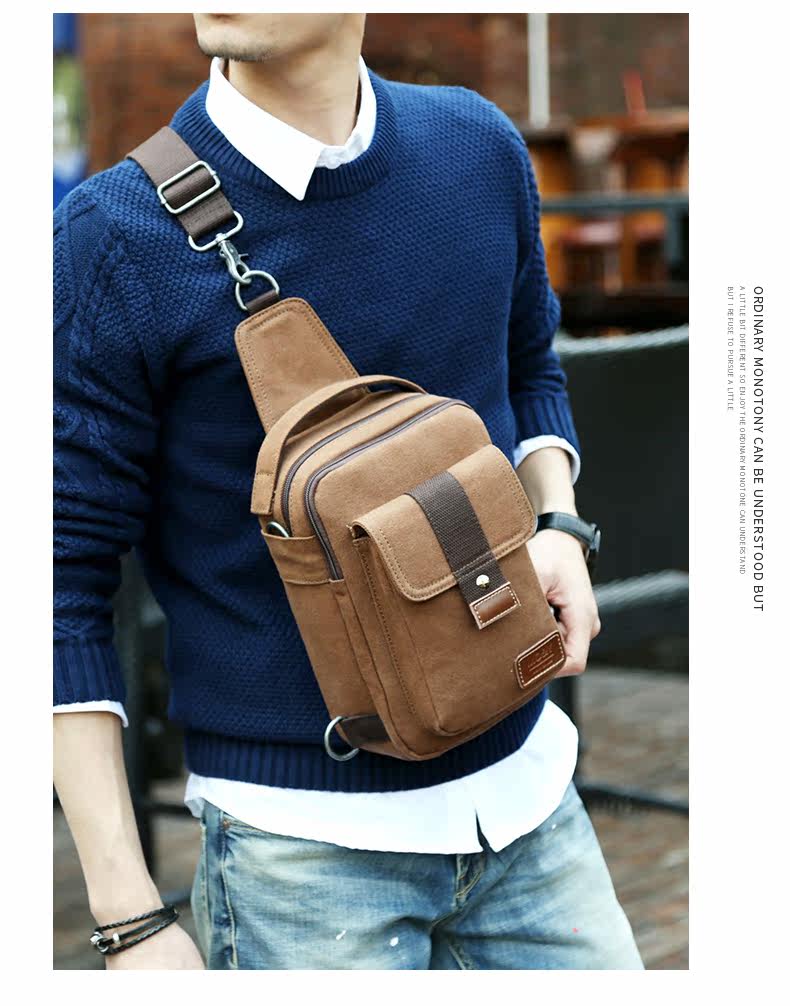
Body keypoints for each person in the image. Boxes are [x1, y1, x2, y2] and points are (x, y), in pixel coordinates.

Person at [53, 13, 643, 970]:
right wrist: (130, 919)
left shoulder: (479, 146)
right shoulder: (113, 236)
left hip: (532, 800)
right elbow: (54, 583)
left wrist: (558, 522)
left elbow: (530, 361)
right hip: (301, 857)